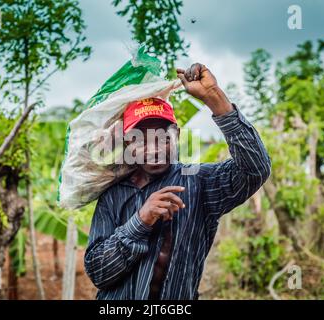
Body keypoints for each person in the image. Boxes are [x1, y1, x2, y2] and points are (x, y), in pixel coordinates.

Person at [84, 63, 271, 300]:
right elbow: (98, 273)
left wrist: (214, 98)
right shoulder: (113, 195)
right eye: (141, 139)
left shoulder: (199, 183)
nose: (154, 148)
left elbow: (255, 169)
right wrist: (141, 221)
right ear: (128, 143)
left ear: (177, 136)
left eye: (163, 136)